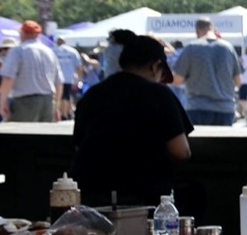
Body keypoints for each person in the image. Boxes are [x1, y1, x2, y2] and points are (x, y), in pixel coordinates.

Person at [70, 35, 193, 207]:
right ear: (155, 65)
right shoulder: (160, 94)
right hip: (143, 196)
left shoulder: (93, 94)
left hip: (90, 195)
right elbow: (181, 151)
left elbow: (79, 145)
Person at [170, 19, 241, 127]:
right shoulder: (228, 48)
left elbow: (176, 80)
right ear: (213, 29)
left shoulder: (191, 48)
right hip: (225, 108)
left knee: (199, 144)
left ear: (197, 31)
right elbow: (238, 81)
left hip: (197, 107)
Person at [0, 21, 62, 123]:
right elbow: (59, 82)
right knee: (43, 136)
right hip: (47, 101)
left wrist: (2, 102)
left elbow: (8, 78)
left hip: (25, 101)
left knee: (19, 134)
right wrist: (57, 105)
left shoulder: (18, 51)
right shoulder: (50, 52)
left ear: (23, 34)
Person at [51, 36, 82, 120]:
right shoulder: (73, 51)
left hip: (56, 78)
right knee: (67, 96)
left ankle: (60, 113)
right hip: (69, 77)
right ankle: (65, 113)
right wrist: (79, 79)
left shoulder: (53, 51)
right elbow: (78, 67)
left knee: (58, 96)